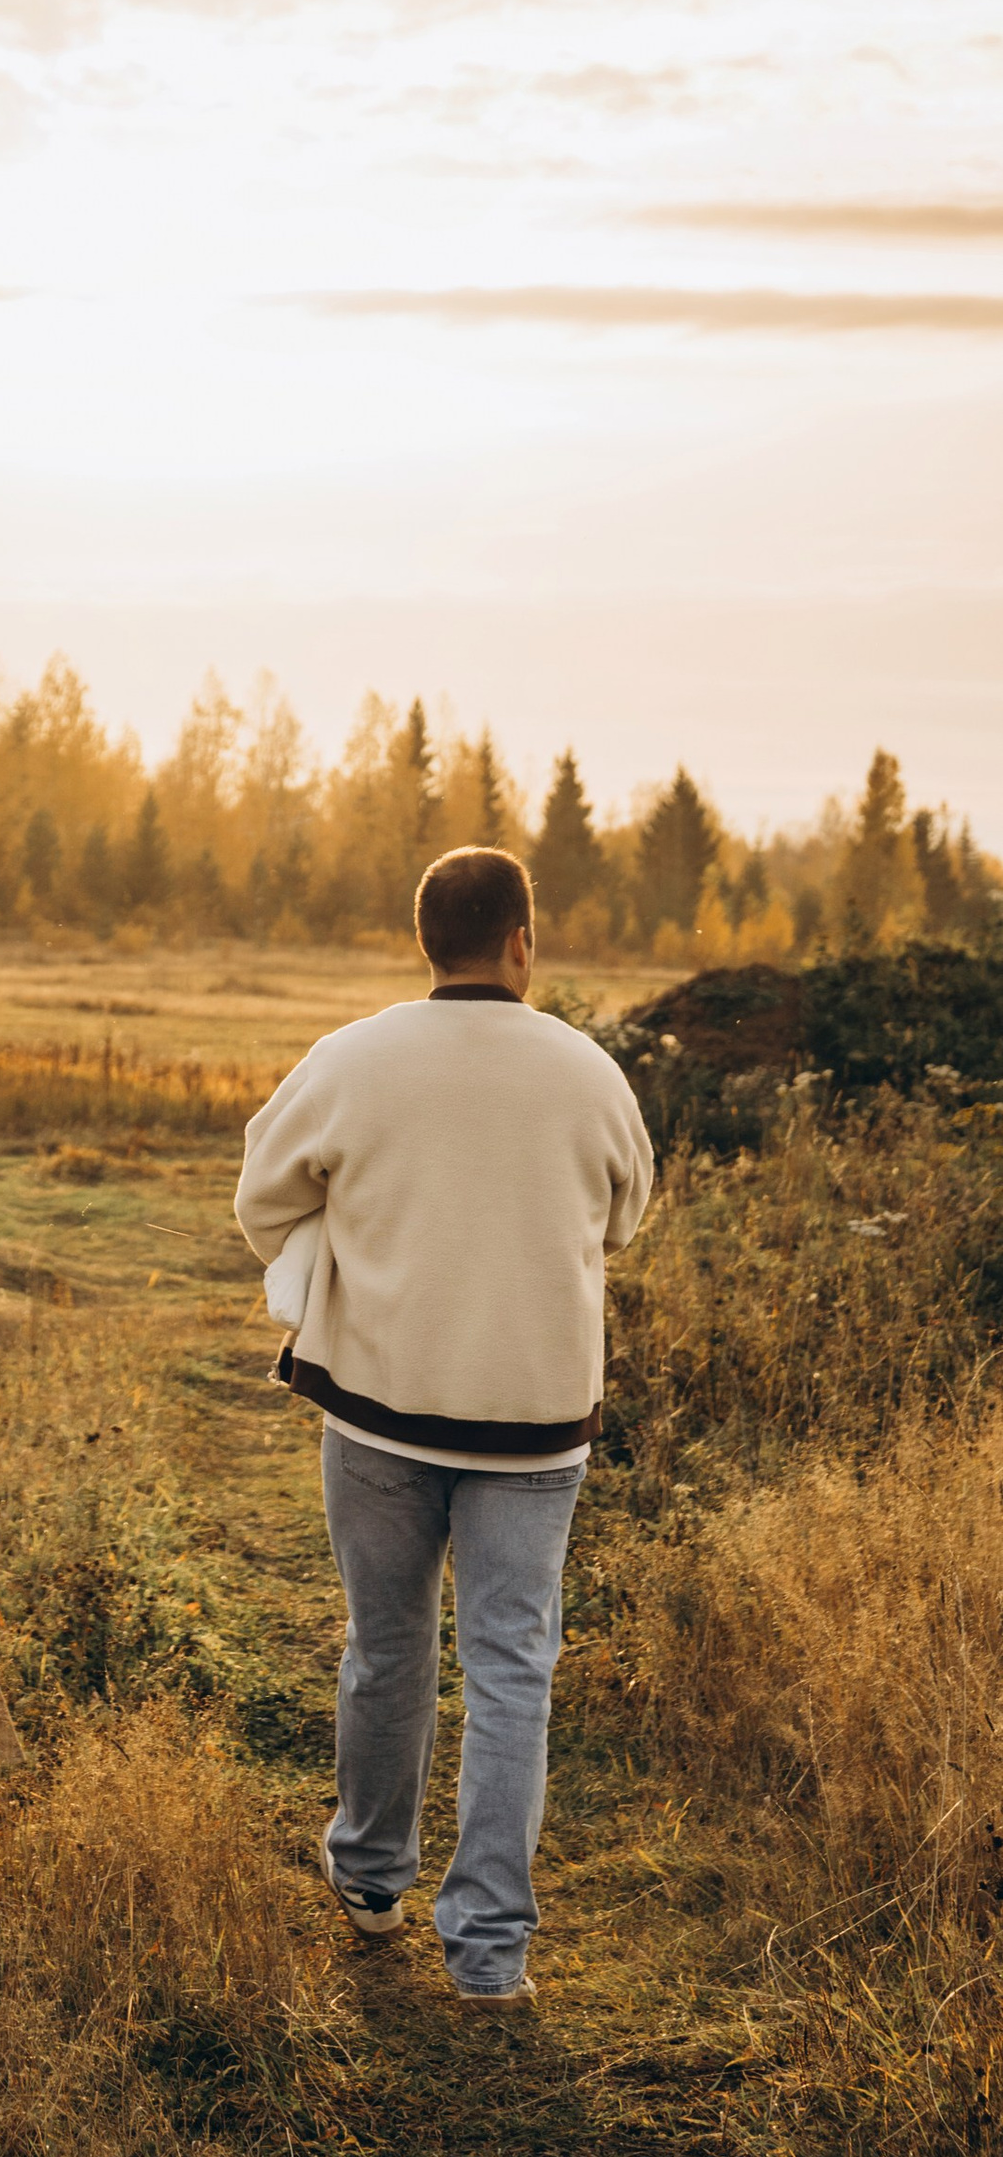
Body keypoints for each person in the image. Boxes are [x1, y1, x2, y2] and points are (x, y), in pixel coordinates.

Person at [235, 844, 656, 2007]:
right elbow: (626, 1217)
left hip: (375, 1413)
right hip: (533, 1430)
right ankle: (488, 1956)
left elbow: (258, 1197)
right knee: (513, 1669)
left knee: (387, 1646)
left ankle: (370, 1880)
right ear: (522, 940)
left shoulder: (351, 1059)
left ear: (427, 939)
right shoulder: (587, 1072)